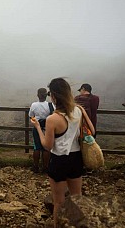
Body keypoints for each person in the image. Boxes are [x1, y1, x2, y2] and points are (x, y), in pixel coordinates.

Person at [31, 78, 95, 228]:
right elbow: (92, 131)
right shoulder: (79, 110)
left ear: (53, 96)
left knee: (58, 201)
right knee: (76, 198)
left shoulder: (52, 119)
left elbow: (47, 146)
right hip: (76, 159)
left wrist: (38, 128)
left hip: (58, 160)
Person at [29, 88, 54, 173]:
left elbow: (31, 116)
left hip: (37, 127)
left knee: (37, 147)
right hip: (47, 128)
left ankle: (35, 167)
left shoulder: (34, 105)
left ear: (38, 95)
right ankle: (45, 167)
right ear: (46, 95)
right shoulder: (51, 105)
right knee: (46, 148)